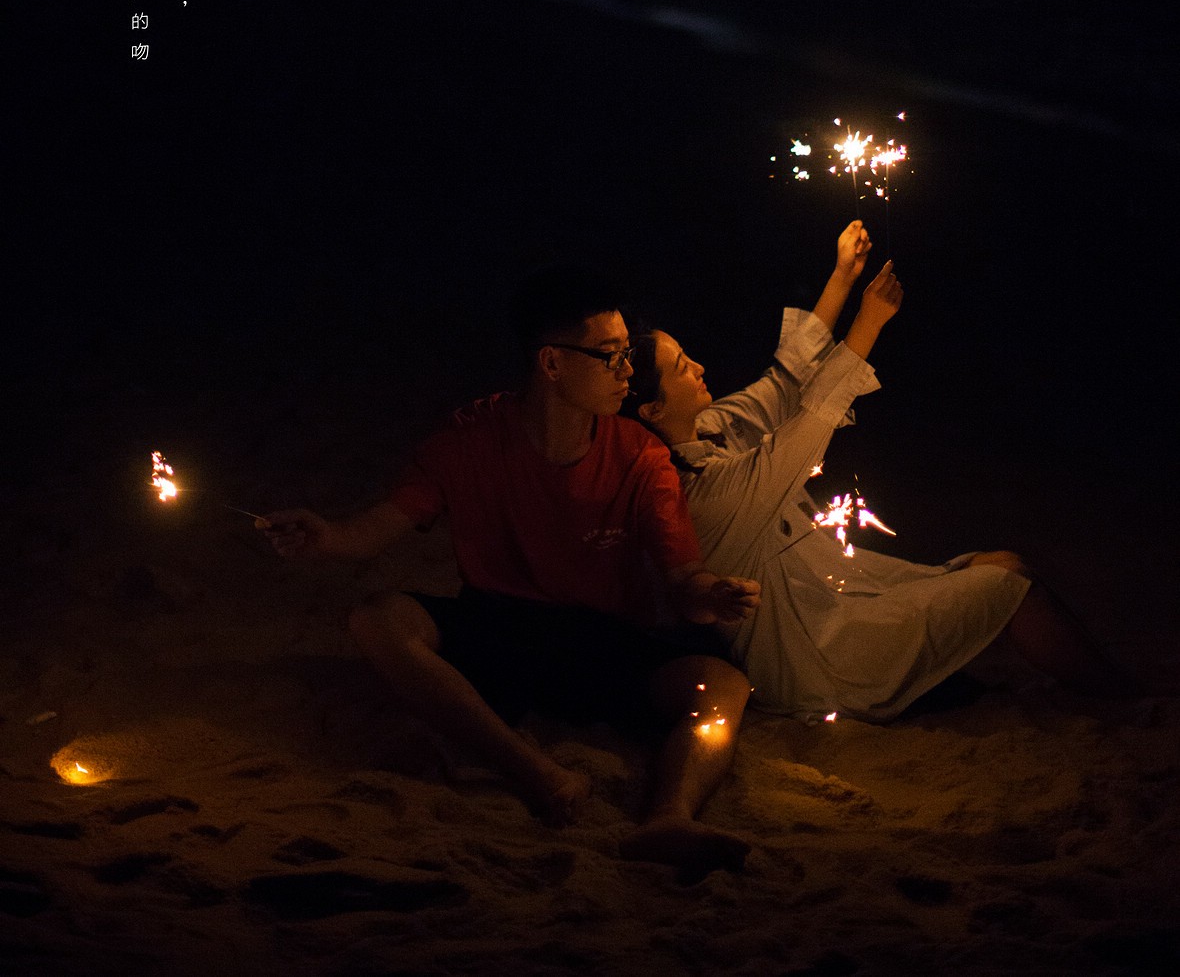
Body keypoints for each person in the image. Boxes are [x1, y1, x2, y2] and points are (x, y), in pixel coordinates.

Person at [261, 266, 761, 875]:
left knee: (722, 684)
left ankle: (670, 818)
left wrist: (713, 595)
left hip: (600, 642)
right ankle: (536, 773)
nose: (627, 373)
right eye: (610, 356)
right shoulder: (470, 439)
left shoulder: (641, 454)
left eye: (628, 355)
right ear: (551, 363)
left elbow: (684, 579)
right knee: (378, 620)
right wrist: (327, 537)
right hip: (500, 630)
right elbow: (372, 533)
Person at [622, 222, 1136, 722]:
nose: (700, 367)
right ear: (652, 410)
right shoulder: (695, 490)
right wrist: (869, 321)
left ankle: (1111, 687)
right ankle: (1126, 698)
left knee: (1001, 563)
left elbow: (785, 378)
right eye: (682, 366)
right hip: (818, 654)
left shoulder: (714, 424)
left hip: (841, 594)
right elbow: (810, 424)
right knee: (1013, 585)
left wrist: (842, 276)